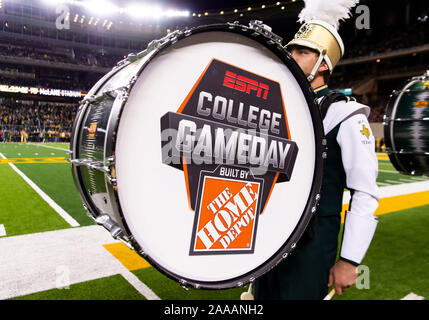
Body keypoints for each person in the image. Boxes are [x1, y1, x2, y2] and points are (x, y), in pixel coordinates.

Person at [255, 2, 379, 300]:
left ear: (323, 63)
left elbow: (364, 191)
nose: (291, 55)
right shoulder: (277, 106)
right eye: (291, 50)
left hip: (311, 243)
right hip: (268, 235)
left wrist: (349, 260)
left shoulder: (346, 115)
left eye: (302, 52)